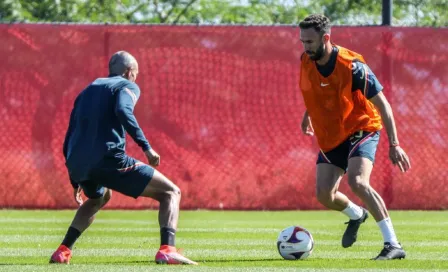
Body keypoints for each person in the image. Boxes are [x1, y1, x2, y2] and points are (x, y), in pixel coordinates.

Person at [49, 51, 197, 265]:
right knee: (171, 192)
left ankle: (62, 251)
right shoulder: (126, 85)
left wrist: (75, 177)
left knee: (98, 198)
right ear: (129, 72)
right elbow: (123, 110)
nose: (136, 78)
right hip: (108, 160)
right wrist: (146, 147)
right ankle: (167, 249)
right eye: (135, 74)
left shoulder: (86, 91)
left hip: (78, 162)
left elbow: (70, 133)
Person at [298, 14, 410, 260]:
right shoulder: (307, 60)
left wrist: (395, 144)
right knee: (324, 195)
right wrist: (308, 114)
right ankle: (357, 215)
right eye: (302, 42)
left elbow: (384, 106)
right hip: (332, 131)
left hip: (362, 126)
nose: (305, 47)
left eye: (309, 42)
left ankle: (393, 245)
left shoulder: (353, 66)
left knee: (358, 181)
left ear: (325, 38)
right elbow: (319, 88)